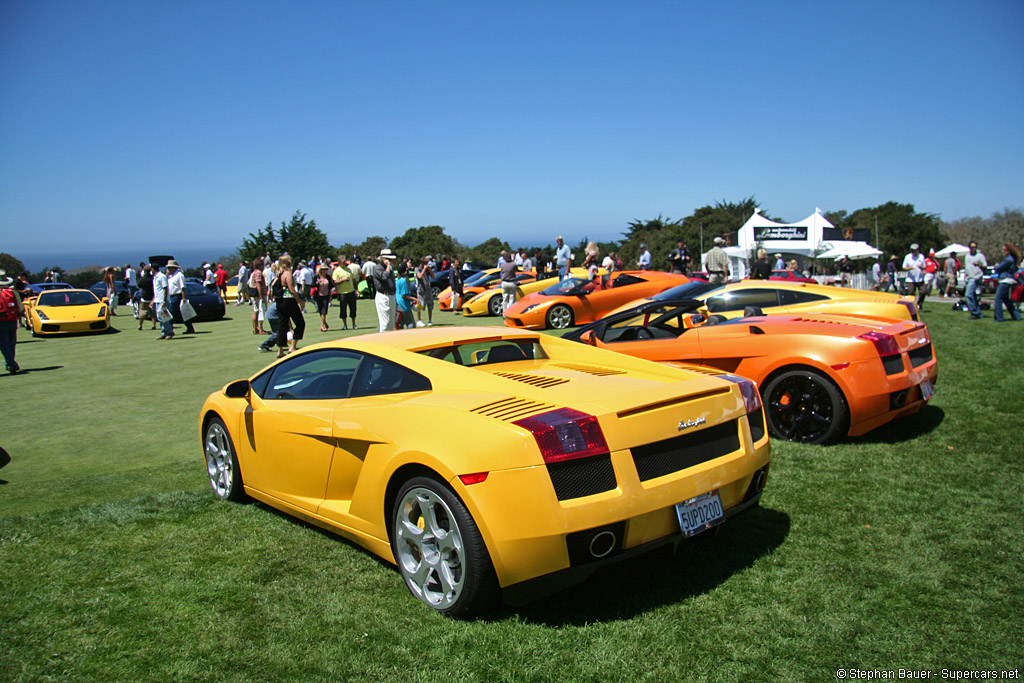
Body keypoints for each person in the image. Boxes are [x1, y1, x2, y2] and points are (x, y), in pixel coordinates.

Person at [272, 254, 303, 356]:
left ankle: (280, 350)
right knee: (300, 323)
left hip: (280, 301)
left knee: (282, 324)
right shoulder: (287, 274)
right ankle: (292, 346)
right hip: (289, 300)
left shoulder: (279, 274)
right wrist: (299, 301)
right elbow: (292, 289)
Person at [0, 270, 24, 374]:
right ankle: (10, 363)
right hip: (13, 319)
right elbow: (21, 307)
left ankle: (11, 363)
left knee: (4, 344)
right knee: (11, 343)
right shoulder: (13, 292)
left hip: (1, 321)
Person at [992, 242, 1022, 323]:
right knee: (1006, 299)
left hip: (1006, 280)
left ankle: (999, 318)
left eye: (1004, 249)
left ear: (1009, 250)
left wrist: (996, 266)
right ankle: (1016, 316)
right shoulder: (1012, 259)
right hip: (1009, 279)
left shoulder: (1008, 259)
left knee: (998, 298)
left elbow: (999, 268)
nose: (1003, 251)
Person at [165, 260, 195, 334]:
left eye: (170, 267)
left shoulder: (179, 275)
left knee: (171, 312)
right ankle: (190, 328)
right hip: (171, 296)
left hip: (177, 296)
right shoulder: (170, 276)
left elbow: (183, 287)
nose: (168, 269)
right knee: (181, 313)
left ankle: (169, 330)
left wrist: (183, 297)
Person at [372, 249, 398, 332]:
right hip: (383, 296)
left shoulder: (390, 268)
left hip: (391, 296)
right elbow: (384, 277)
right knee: (385, 323)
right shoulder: (378, 268)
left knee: (391, 323)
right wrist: (387, 267)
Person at [964, 242, 988, 319]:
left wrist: (979, 265)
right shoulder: (967, 256)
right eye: (972, 247)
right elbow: (967, 268)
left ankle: (974, 312)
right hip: (969, 277)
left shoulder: (980, 256)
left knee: (968, 295)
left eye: (975, 247)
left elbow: (985, 266)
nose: (973, 249)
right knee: (973, 296)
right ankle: (978, 313)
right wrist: (965, 276)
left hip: (976, 277)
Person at [332, 256, 356, 330]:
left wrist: (356, 289)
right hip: (342, 293)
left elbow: (353, 279)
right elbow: (334, 282)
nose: (345, 263)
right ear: (339, 263)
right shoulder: (336, 271)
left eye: (345, 261)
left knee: (353, 309)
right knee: (343, 309)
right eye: (343, 262)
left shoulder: (349, 269)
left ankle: (354, 324)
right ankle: (345, 325)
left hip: (351, 291)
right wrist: (342, 280)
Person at [902, 243, 927, 309]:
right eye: (912, 250)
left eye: (914, 250)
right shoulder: (908, 257)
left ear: (917, 250)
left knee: (923, 291)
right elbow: (904, 267)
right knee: (911, 292)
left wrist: (921, 267)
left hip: (920, 278)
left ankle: (919, 304)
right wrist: (910, 268)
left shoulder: (921, 256)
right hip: (910, 279)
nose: (912, 252)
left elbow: (924, 267)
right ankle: (912, 306)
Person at [153, 263, 173, 340]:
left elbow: (165, 289)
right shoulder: (155, 277)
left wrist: (164, 300)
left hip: (162, 300)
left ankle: (169, 332)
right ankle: (163, 332)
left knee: (165, 318)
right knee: (160, 318)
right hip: (158, 300)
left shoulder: (162, 276)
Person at [395, 262, 416, 328]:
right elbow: (404, 295)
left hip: (398, 304)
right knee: (411, 323)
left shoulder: (397, 280)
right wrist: (414, 299)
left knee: (400, 324)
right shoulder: (403, 281)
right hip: (404, 305)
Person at [249, 256, 267, 334]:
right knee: (260, 311)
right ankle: (260, 328)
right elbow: (258, 284)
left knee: (255, 311)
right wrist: (261, 296)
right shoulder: (258, 273)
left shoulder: (253, 272)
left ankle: (255, 328)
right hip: (258, 294)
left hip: (253, 294)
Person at [136, 264, 156, 331]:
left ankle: (140, 325)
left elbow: (139, 286)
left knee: (142, 313)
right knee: (153, 313)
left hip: (144, 298)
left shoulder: (142, 279)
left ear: (144, 271)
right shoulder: (153, 278)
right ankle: (154, 325)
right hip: (152, 298)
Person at [415, 257, 435, 326]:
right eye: (425, 263)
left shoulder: (427, 269)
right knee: (420, 305)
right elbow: (420, 276)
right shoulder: (417, 269)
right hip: (421, 290)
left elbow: (433, 277)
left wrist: (430, 270)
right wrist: (424, 269)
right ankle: (419, 320)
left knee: (430, 305)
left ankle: (430, 320)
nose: (426, 264)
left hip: (428, 289)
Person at [314, 265, 334, 332]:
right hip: (318, 295)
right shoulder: (316, 277)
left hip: (326, 295)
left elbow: (331, 285)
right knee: (321, 310)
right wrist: (317, 283)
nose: (324, 271)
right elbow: (312, 285)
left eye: (325, 269)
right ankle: (325, 322)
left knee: (324, 310)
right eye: (323, 269)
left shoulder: (328, 277)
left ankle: (322, 325)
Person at [499, 250, 519, 315]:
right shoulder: (513, 264)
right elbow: (516, 269)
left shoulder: (502, 265)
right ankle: (510, 312)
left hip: (504, 282)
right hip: (511, 282)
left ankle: (504, 313)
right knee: (512, 298)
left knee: (505, 298)